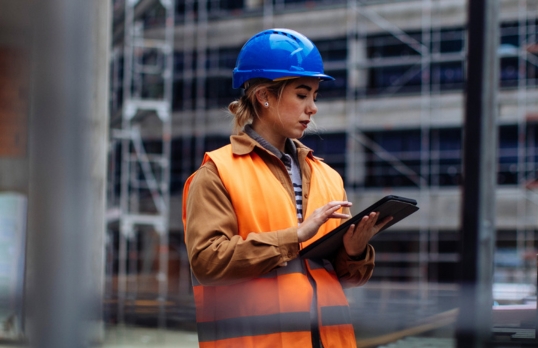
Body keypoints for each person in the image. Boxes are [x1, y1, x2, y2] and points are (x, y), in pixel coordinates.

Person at [182, 28, 392, 348]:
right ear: (264, 96)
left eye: (315, 96)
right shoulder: (217, 174)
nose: (313, 108)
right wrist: (294, 236)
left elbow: (344, 279)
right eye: (302, 94)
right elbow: (208, 263)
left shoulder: (327, 177)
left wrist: (355, 251)